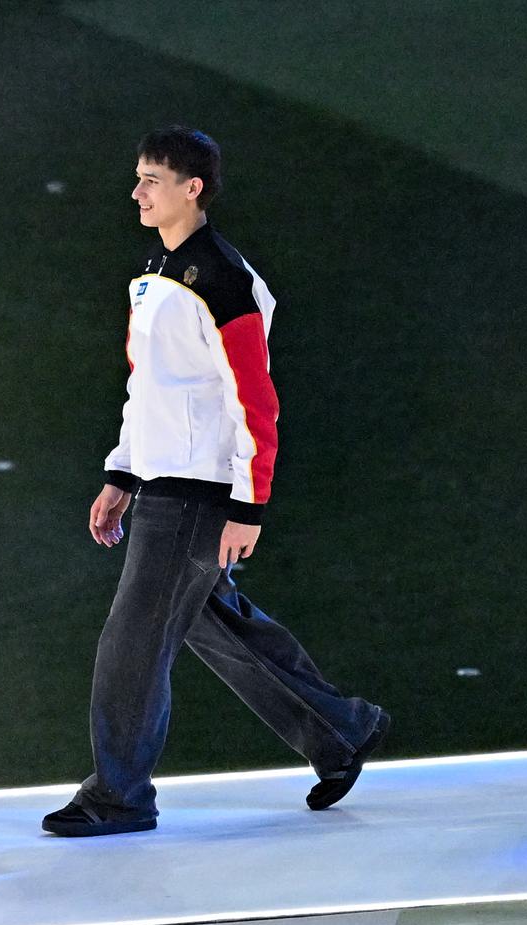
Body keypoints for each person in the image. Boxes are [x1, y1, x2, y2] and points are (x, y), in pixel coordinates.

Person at [42, 127, 391, 838]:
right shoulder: (157, 270)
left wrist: (249, 505)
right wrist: (121, 472)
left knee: (133, 644)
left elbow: (254, 400)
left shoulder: (223, 281)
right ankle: (341, 731)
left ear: (191, 189)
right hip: (164, 482)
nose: (137, 192)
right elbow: (150, 387)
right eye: (137, 178)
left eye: (151, 180)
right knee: (213, 624)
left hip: (196, 494)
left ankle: (120, 794)